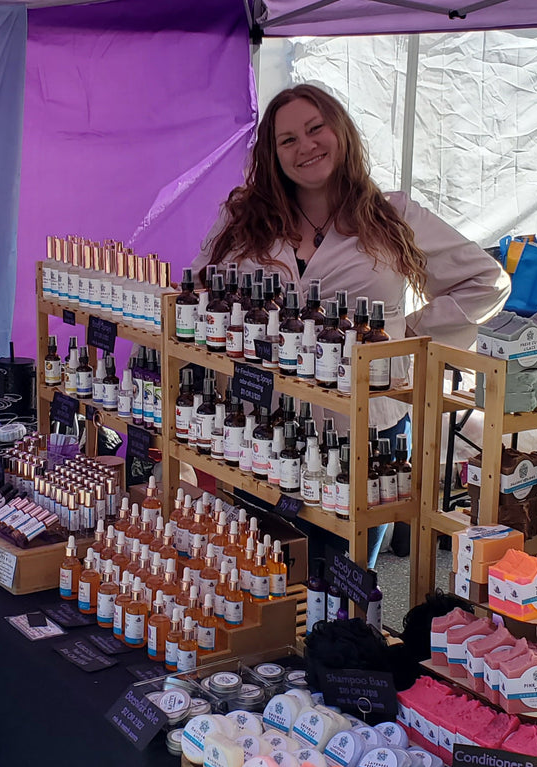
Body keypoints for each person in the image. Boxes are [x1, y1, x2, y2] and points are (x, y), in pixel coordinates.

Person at [198, 83, 511, 560]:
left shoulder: (392, 215)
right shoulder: (243, 219)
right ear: (272, 154)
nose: (306, 146)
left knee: (343, 574)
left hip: (366, 428)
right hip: (260, 421)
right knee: (257, 571)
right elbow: (201, 291)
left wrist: (401, 339)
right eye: (287, 140)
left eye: (315, 128)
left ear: (339, 131)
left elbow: (485, 281)